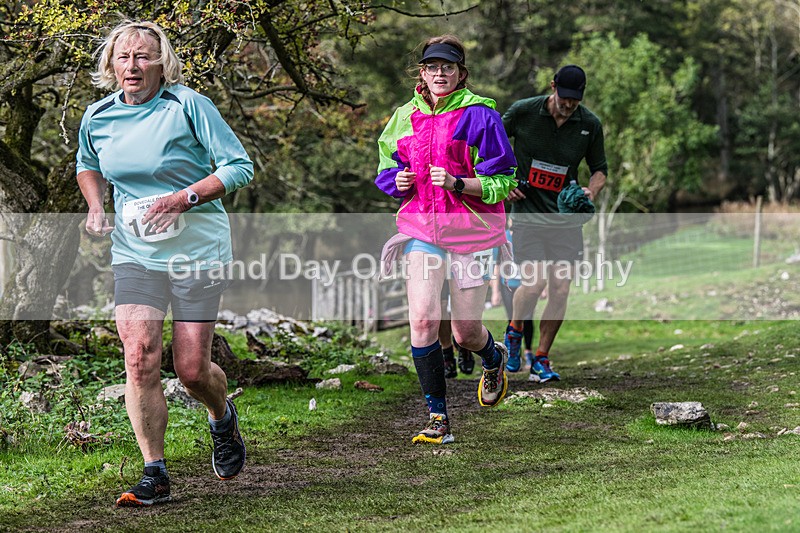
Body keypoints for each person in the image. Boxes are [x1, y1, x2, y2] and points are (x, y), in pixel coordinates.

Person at [76, 20, 253, 506]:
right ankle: (154, 472)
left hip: (198, 250)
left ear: (161, 62)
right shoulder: (98, 115)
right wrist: (95, 205)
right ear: (111, 64)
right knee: (139, 357)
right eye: (123, 57)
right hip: (135, 253)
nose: (132, 66)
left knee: (193, 370)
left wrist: (184, 197)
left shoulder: (189, 105)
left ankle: (222, 418)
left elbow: (239, 167)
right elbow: (86, 164)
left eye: (143, 57)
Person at [376, 35, 517, 444]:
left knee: (465, 332)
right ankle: (438, 418)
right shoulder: (404, 116)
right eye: (432, 66)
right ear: (421, 72)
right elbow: (388, 166)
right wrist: (396, 180)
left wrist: (461, 183)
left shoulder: (480, 115)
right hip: (421, 230)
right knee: (422, 321)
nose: (440, 73)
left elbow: (505, 180)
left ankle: (493, 358)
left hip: (472, 234)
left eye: (448, 67)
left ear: (460, 72)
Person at [502, 64, 607, 382]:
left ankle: (542, 359)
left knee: (560, 290)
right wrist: (504, 181)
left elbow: (600, 168)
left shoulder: (589, 123)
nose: (568, 104)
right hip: (528, 215)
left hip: (565, 220)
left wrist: (592, 189)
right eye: (564, 97)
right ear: (553, 87)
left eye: (575, 99)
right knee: (533, 285)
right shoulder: (523, 111)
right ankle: (515, 330)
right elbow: (491, 143)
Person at [490, 223, 535, 368]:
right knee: (512, 320)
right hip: (508, 286)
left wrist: (543, 287)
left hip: (526, 284)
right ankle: (515, 353)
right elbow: (497, 266)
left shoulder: (530, 236)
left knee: (527, 319)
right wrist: (495, 292)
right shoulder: (502, 238)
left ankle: (528, 352)